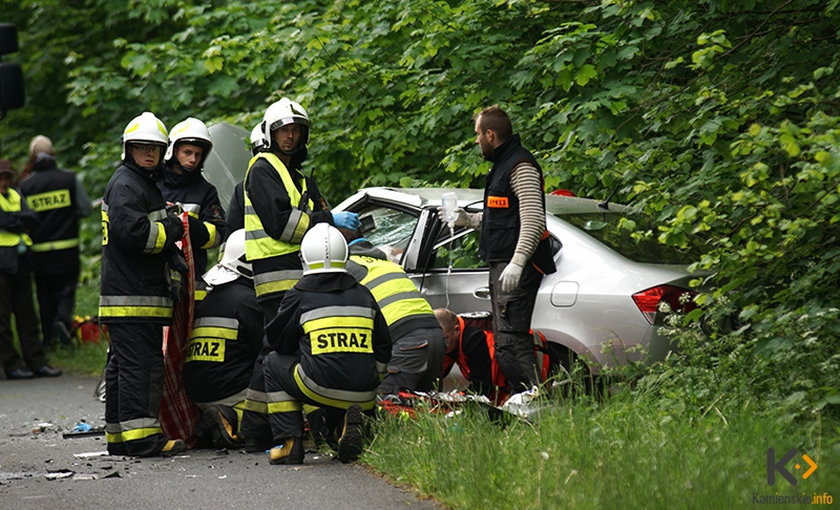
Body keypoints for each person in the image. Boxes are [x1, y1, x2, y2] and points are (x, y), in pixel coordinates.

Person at [238, 98, 358, 451]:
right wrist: (329, 221)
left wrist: (337, 228)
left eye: (296, 130)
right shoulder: (262, 169)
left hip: (304, 277)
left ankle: (261, 430)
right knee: (280, 352)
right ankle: (268, 431)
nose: (290, 136)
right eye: (283, 130)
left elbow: (319, 221)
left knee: (286, 350)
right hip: (277, 277)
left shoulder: (301, 178)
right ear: (270, 134)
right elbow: (282, 225)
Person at [442, 106, 556, 394]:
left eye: (478, 135)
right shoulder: (502, 166)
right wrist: (467, 220)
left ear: (490, 135)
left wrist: (518, 262)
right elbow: (502, 219)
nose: (476, 141)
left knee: (510, 342)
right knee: (506, 342)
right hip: (504, 264)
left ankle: (532, 401)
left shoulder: (521, 166)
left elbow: (533, 220)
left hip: (516, 266)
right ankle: (525, 400)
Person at [262, 223, 390, 464]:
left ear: (304, 258)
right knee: (337, 370)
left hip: (319, 386)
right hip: (364, 393)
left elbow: (277, 343)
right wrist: (372, 380)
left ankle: (290, 443)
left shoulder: (298, 295)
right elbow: (384, 346)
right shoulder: (364, 294)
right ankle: (340, 430)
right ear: (345, 256)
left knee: (272, 363)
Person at [99, 112, 187, 457]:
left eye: (155, 148)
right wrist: (173, 230)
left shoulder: (139, 182)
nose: (149, 154)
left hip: (132, 294)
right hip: (133, 295)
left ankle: (120, 437)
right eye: (141, 148)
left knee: (124, 366)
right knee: (141, 366)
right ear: (128, 149)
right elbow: (135, 235)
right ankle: (141, 439)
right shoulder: (127, 184)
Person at [340, 226, 445, 395]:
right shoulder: (387, 264)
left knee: (390, 409)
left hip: (406, 343)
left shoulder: (347, 267)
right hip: (435, 336)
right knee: (425, 409)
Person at [183, 229, 263, 449]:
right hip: (232, 394)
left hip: (197, 393)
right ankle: (233, 419)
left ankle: (214, 422)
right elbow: (265, 351)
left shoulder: (209, 297)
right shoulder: (248, 301)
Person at [17, 135, 92, 347]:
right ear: (53, 154)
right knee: (66, 292)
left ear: (32, 156)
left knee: (44, 296)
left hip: (39, 253)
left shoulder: (25, 185)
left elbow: (23, 218)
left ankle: (49, 340)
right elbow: (85, 208)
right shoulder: (69, 179)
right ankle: (63, 321)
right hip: (67, 249)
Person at [0, 159, 61, 379]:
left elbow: (33, 219)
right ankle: (11, 364)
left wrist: (15, 220)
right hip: (2, 265)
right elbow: (7, 220)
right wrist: (19, 220)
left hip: (21, 262)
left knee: (28, 316)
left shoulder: (16, 195)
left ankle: (36, 361)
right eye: (1, 178)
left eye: (7, 177)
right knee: (3, 320)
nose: (4, 182)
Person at [158, 117, 226, 302]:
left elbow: (218, 235)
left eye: (198, 154)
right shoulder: (151, 184)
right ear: (172, 151)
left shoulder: (205, 191)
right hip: (153, 279)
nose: (193, 159)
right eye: (187, 152)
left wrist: (187, 223)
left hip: (189, 282)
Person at [434, 308, 550, 405]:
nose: (441, 346)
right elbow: (434, 375)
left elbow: (482, 389)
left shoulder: (474, 338)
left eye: (444, 340)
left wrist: (455, 399)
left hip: (536, 370)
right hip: (502, 383)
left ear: (457, 330)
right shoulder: (451, 338)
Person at [224, 123, 265, 240]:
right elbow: (231, 234)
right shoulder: (242, 188)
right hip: (254, 256)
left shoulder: (302, 183)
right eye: (261, 151)